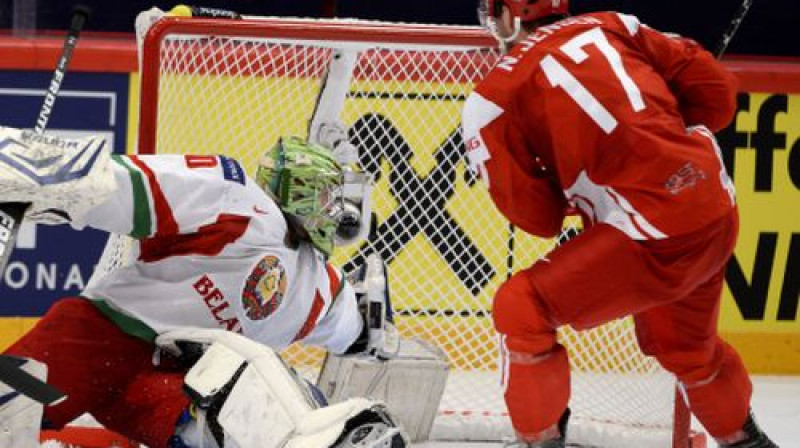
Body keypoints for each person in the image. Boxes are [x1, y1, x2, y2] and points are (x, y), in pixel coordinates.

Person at [461, 1, 779, 447]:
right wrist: (659, 141)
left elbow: (537, 218)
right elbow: (718, 94)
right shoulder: (615, 24)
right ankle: (750, 443)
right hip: (713, 201)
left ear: (511, 16)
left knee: (520, 307)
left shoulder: (489, 100)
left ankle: (539, 442)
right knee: (685, 349)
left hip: (653, 230)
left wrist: (571, 185)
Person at [0, 127, 405, 448]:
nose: (337, 211)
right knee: (6, 414)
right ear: (299, 192)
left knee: (247, 421)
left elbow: (360, 329)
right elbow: (115, 185)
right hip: (100, 338)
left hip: (174, 386)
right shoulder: (234, 198)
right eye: (325, 196)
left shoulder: (316, 284)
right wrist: (28, 170)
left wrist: (374, 328)